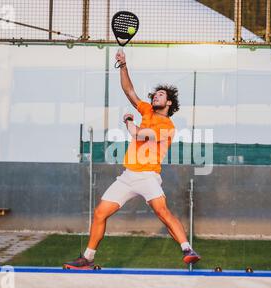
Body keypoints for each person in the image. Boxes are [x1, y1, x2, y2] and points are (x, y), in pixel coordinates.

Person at [63, 49, 200, 270]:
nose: (156, 96)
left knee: (162, 211)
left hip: (148, 176)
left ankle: (187, 249)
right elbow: (129, 91)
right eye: (155, 94)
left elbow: (138, 134)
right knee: (100, 213)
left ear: (170, 104)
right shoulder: (146, 110)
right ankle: (87, 258)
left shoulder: (167, 126)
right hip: (128, 176)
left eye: (161, 95)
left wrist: (128, 119)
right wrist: (124, 65)